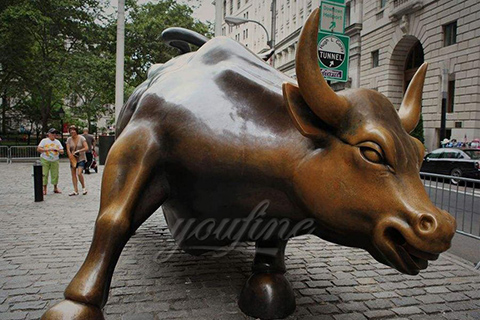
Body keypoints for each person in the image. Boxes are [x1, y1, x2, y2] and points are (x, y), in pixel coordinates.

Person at [37, 128, 64, 195]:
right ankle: (44, 188)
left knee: (55, 174)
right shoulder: (44, 141)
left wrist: (57, 150)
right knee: (44, 174)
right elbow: (39, 148)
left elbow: (62, 151)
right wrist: (47, 149)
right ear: (48, 134)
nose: (54, 135)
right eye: (52, 133)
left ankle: (55, 187)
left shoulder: (57, 142)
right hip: (45, 159)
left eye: (55, 134)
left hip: (54, 160)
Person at [66, 125, 89, 196]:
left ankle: (83, 187)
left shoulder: (81, 138)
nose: (72, 131)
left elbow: (86, 148)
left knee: (79, 173)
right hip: (73, 159)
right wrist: (70, 156)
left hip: (81, 158)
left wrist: (79, 150)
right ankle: (75, 190)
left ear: (76, 131)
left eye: (73, 130)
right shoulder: (69, 139)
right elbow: (68, 149)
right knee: (73, 174)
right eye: (71, 130)